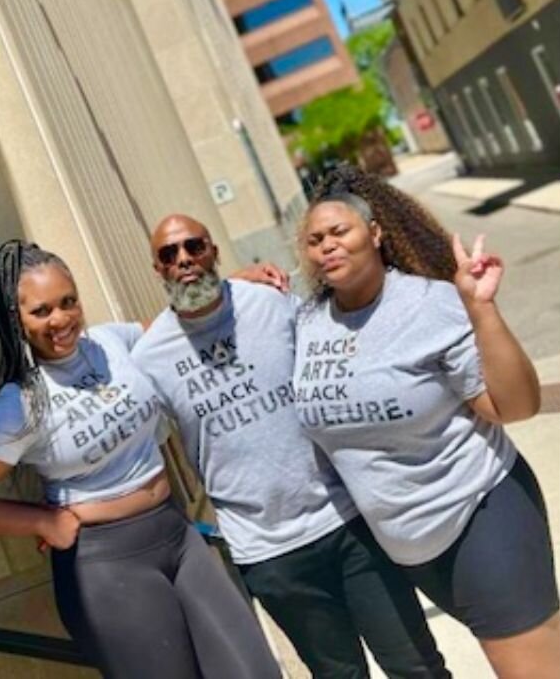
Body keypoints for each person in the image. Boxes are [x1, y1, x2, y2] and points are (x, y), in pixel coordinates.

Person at [0, 239, 281, 679]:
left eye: (68, 302)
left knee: (253, 670)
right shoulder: (21, 404)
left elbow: (169, 325)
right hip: (107, 565)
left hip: (176, 533)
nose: (60, 320)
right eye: (41, 311)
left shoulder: (109, 343)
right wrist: (42, 522)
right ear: (15, 319)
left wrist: (232, 285)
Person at [131, 214, 450, 679]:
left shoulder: (271, 304)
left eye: (194, 247)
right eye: (169, 254)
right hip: (269, 554)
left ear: (213, 251)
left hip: (347, 519)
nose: (184, 260)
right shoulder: (149, 356)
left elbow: (340, 367)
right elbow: (137, 445)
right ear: (158, 270)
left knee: (415, 665)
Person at [293, 167, 560, 679]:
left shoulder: (429, 303)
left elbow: (514, 407)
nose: (327, 245)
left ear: (375, 234)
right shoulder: (306, 322)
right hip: (412, 546)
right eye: (315, 239)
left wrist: (481, 311)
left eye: (340, 231)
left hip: (480, 514)